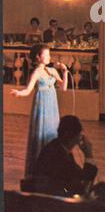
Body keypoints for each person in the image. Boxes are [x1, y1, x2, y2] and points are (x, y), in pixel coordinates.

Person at [10, 44, 68, 176]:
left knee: (52, 132)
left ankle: (52, 168)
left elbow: (63, 88)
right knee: (41, 133)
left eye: (49, 55)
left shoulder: (52, 71)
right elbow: (28, 90)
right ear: (38, 57)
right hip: (42, 105)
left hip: (52, 106)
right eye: (46, 55)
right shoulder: (36, 73)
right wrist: (19, 93)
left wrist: (64, 72)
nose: (49, 57)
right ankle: (40, 169)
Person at [34, 115, 98, 197]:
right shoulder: (61, 157)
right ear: (75, 137)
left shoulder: (56, 146)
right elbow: (84, 177)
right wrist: (89, 155)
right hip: (55, 199)